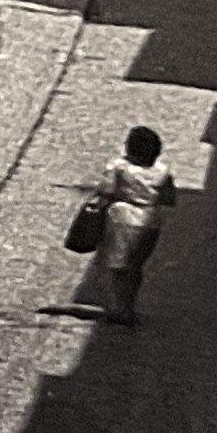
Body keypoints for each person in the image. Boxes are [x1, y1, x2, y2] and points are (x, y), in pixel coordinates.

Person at [84, 124, 173, 324]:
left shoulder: (118, 167)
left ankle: (116, 308)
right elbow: (169, 199)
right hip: (151, 222)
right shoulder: (163, 172)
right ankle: (129, 306)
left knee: (116, 266)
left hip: (122, 219)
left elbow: (106, 192)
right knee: (136, 266)